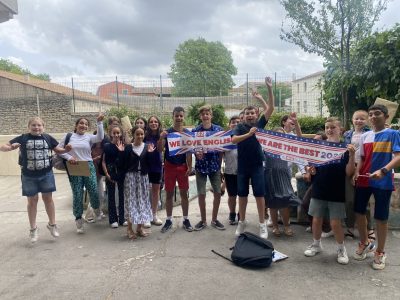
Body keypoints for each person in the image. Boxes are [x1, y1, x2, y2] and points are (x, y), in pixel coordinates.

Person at [2, 117, 71, 242]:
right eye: (34, 125)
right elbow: (4, 146)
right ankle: (33, 229)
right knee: (32, 201)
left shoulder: (48, 137)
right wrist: (10, 147)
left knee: (48, 199)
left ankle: (52, 224)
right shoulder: (23, 138)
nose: (36, 127)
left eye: (39, 125)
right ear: (29, 126)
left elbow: (57, 150)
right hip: (28, 175)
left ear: (43, 127)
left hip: (46, 174)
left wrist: (66, 149)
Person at [353, 104, 400, 270]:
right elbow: (362, 159)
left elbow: (398, 157)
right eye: (371, 114)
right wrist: (356, 173)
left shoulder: (393, 134)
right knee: (359, 212)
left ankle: (380, 251)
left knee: (381, 217)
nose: (373, 117)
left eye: (377, 114)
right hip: (364, 179)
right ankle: (365, 243)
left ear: (386, 117)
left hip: (383, 181)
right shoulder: (365, 136)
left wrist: (384, 170)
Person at [304, 117, 355, 265]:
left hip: (336, 191)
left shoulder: (345, 148)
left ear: (340, 129)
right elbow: (312, 168)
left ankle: (341, 249)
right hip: (319, 188)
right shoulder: (320, 147)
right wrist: (311, 170)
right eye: (327, 127)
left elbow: (349, 172)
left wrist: (352, 156)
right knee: (316, 219)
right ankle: (316, 244)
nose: (329, 130)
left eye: (333, 127)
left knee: (335, 224)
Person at [231, 76, 274, 239]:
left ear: (256, 115)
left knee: (259, 195)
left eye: (252, 113)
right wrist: (248, 135)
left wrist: (267, 90)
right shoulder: (240, 127)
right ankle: (241, 221)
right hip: (242, 166)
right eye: (247, 113)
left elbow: (270, 109)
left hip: (257, 165)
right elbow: (233, 140)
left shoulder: (260, 125)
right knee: (241, 195)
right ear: (243, 116)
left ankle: (262, 224)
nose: (250, 115)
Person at [59, 113, 105, 234]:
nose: (83, 126)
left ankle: (96, 209)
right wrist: (69, 157)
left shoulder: (89, 137)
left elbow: (100, 137)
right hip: (74, 166)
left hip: (88, 165)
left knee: (94, 190)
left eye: (85, 124)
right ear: (76, 125)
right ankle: (78, 220)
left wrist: (99, 122)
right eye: (81, 123)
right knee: (77, 193)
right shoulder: (68, 136)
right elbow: (59, 150)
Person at [157, 106, 193, 233]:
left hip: (183, 166)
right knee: (169, 194)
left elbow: (189, 152)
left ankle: (186, 219)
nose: (179, 118)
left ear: (184, 117)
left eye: (181, 116)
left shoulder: (187, 133)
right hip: (170, 166)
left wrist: (190, 166)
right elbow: (160, 150)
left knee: (184, 193)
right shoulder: (168, 132)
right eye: (176, 116)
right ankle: (168, 220)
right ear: (172, 116)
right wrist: (161, 138)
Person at [117, 125, 155, 239]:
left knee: (142, 202)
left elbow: (150, 165)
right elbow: (121, 164)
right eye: (137, 134)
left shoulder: (147, 147)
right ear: (133, 135)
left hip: (143, 177)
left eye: (141, 134)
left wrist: (150, 154)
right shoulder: (128, 147)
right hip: (131, 178)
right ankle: (129, 229)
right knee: (131, 202)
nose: (139, 136)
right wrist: (121, 153)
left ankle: (139, 228)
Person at [192, 105, 224, 231]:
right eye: (203, 114)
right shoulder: (195, 131)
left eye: (207, 113)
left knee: (217, 192)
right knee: (201, 194)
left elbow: (221, 148)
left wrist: (220, 164)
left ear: (211, 115)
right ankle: (203, 220)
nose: (205, 115)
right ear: (200, 116)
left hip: (214, 166)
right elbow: (192, 147)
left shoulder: (218, 130)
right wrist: (196, 153)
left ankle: (214, 220)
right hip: (200, 166)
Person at [264, 127, 299, 237]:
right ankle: (275, 226)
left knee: (285, 202)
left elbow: (300, 142)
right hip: (270, 176)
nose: (278, 136)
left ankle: (287, 226)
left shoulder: (287, 147)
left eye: (281, 134)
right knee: (272, 203)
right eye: (276, 134)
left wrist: (296, 124)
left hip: (283, 175)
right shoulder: (266, 146)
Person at [343, 110, 373, 239]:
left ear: (367, 120)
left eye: (362, 118)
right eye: (356, 118)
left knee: (363, 201)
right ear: (352, 120)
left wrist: (358, 171)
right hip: (349, 167)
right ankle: (350, 227)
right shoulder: (347, 134)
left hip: (364, 169)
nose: (359, 121)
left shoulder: (370, 134)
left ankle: (369, 228)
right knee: (349, 200)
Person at [102, 125, 126, 228]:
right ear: (110, 134)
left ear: (121, 134)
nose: (116, 135)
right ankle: (112, 220)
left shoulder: (124, 145)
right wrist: (106, 174)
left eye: (118, 133)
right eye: (114, 133)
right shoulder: (106, 146)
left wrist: (121, 151)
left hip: (121, 173)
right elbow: (103, 161)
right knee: (111, 196)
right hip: (110, 172)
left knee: (122, 196)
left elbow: (125, 160)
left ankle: (122, 219)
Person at [143, 115, 163, 228]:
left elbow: (161, 149)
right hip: (146, 167)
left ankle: (154, 215)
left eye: (155, 121)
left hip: (157, 166)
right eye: (151, 121)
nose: (153, 123)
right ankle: (146, 216)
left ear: (158, 124)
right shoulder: (145, 136)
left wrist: (161, 138)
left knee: (156, 191)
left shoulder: (162, 136)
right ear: (148, 124)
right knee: (145, 192)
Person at [224, 115, 240, 225]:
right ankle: (232, 214)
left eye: (238, 122)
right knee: (232, 195)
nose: (235, 124)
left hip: (242, 172)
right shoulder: (225, 138)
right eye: (233, 122)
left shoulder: (245, 136)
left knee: (242, 195)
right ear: (229, 125)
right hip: (229, 171)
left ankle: (241, 214)